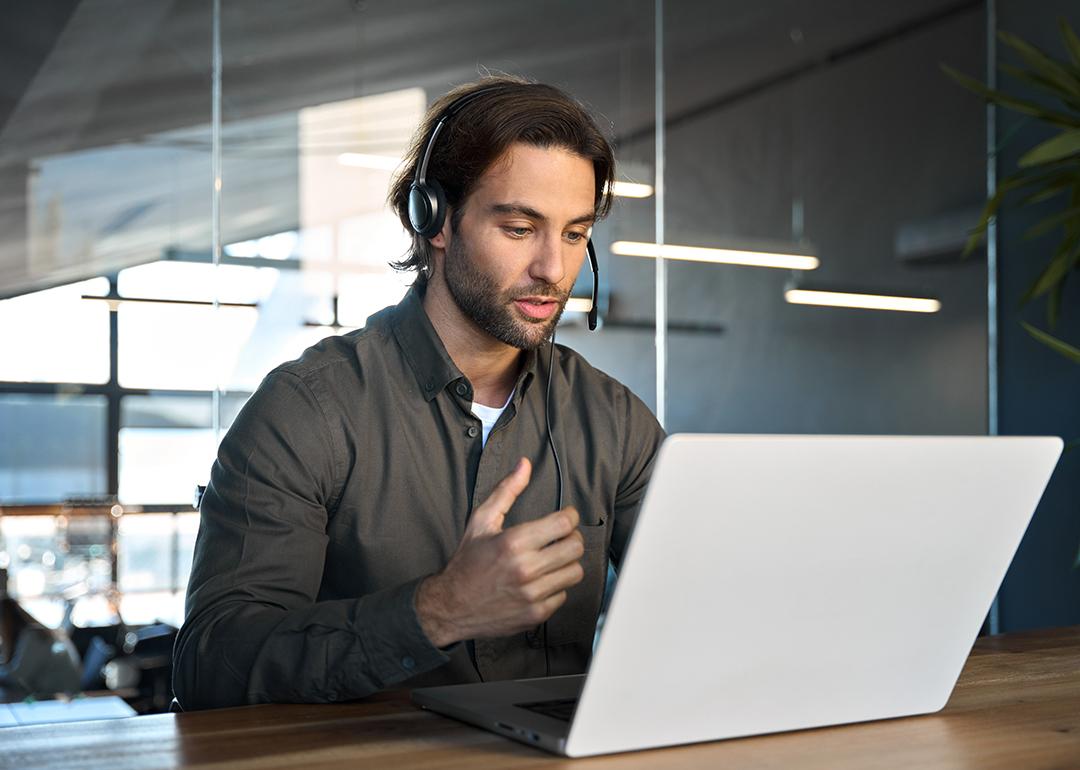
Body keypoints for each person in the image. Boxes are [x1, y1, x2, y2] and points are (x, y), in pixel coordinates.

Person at [172, 75, 665, 710]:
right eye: (519, 228)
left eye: (574, 234)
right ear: (433, 218)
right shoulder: (307, 410)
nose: (554, 268)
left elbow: (700, 608)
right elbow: (211, 665)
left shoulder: (613, 420)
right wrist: (437, 611)